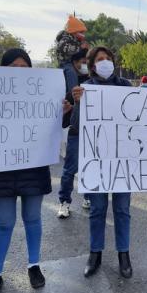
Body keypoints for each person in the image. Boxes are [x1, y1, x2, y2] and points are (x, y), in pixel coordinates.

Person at [0, 49, 52, 293]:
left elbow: (57, 126)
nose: (20, 71)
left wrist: (63, 111)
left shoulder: (43, 96)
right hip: (1, 170)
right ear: (3, 69)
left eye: (25, 67)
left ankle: (34, 266)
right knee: (4, 222)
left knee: (33, 219)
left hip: (33, 169)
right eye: (14, 66)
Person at [69, 46, 134, 279]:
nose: (105, 62)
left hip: (123, 159)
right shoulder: (86, 89)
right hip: (96, 159)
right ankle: (95, 253)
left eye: (108, 58)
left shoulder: (126, 86)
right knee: (97, 209)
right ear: (93, 65)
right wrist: (77, 103)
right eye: (100, 59)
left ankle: (123, 254)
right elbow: (75, 126)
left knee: (122, 210)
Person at [58, 48, 91, 218]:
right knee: (70, 169)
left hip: (92, 132)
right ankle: (64, 202)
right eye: (83, 62)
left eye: (87, 62)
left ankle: (88, 197)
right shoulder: (67, 77)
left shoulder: (93, 80)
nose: (85, 65)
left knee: (89, 167)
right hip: (76, 130)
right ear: (75, 62)